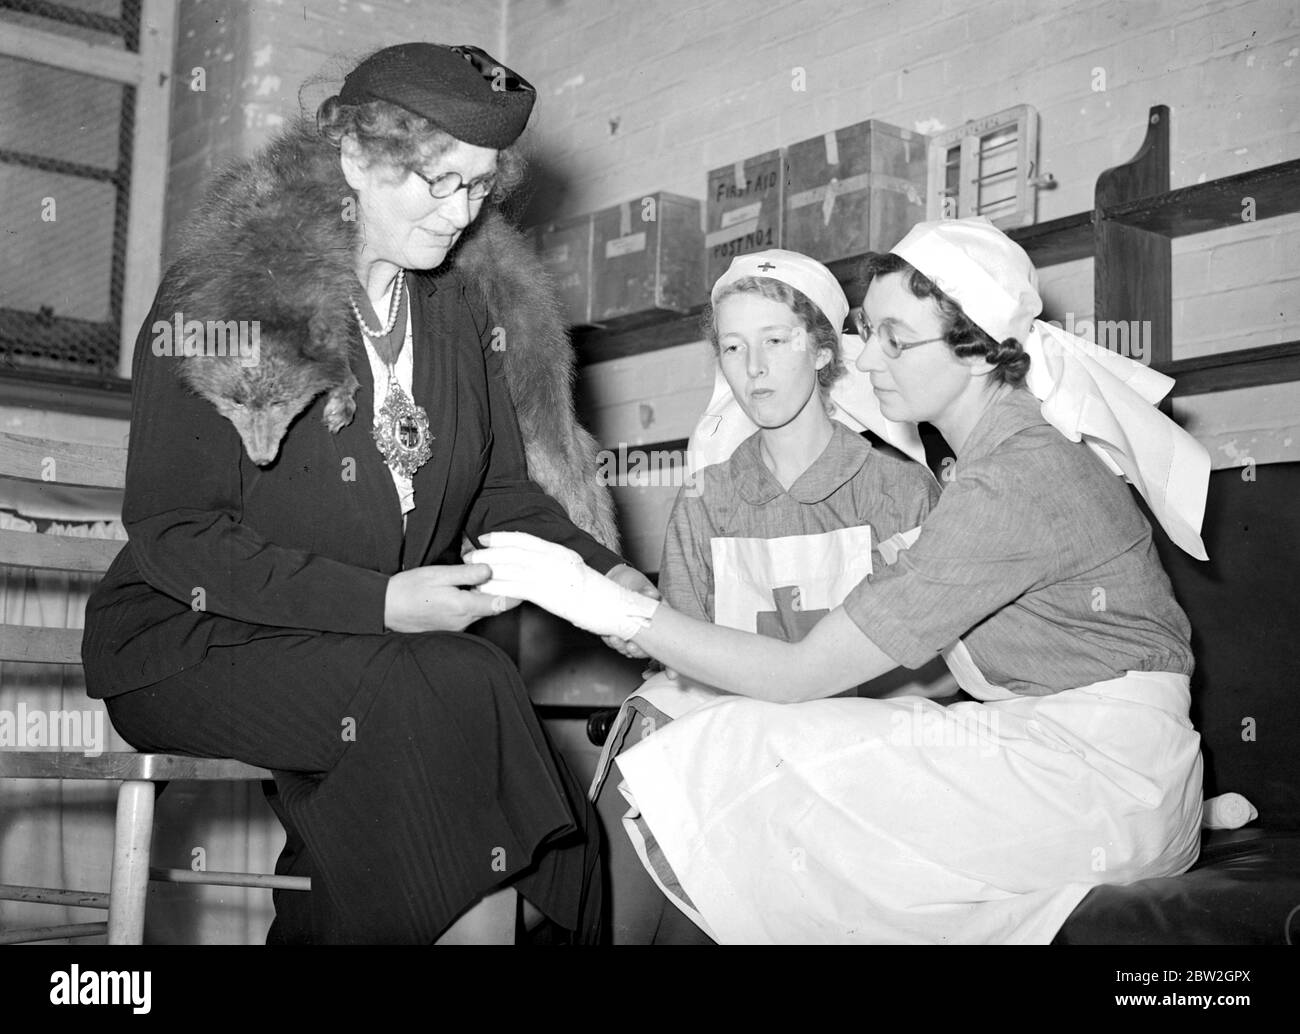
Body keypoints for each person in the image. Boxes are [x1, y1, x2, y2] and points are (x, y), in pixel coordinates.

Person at [469, 216, 1211, 944]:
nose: (870, 359)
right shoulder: (998, 464)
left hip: (1102, 781)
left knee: (744, 752)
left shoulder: (1010, 481)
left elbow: (799, 675)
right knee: (734, 754)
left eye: (896, 340)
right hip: (1066, 750)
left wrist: (603, 602)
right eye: (870, 331)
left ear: (981, 354)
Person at [81, 42, 655, 945]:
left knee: (448, 696)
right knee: (449, 687)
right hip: (197, 637)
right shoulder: (231, 290)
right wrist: (382, 602)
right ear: (355, 157)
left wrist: (606, 575)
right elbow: (173, 530)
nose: (459, 217)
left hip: (361, 648)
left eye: (478, 189)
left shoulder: (456, 309)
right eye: (435, 182)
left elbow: (501, 488)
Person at [589, 250, 940, 942]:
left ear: (820, 352)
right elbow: (682, 662)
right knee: (632, 808)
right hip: (732, 737)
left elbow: (939, 668)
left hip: (858, 741)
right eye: (733, 347)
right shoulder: (708, 501)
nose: (753, 369)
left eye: (776, 341)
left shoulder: (898, 491)